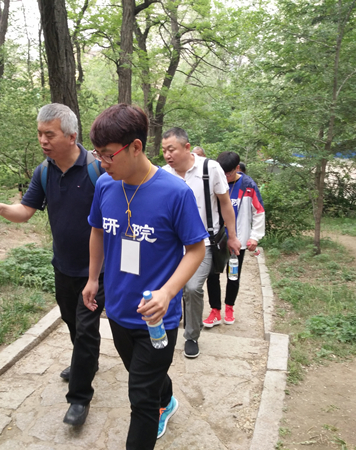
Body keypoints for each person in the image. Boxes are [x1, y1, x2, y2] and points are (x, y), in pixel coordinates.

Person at [82, 104, 207, 449]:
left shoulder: (175, 193)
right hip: (119, 310)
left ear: (136, 147)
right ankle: (165, 396)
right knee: (145, 377)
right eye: (98, 155)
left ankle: (156, 404)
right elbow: (97, 230)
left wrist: (168, 293)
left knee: (141, 400)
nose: (102, 163)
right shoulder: (107, 185)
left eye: (108, 155)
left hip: (157, 318)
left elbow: (197, 249)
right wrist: (93, 279)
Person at [0, 103, 105, 427]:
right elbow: (25, 210)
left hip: (96, 270)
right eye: (39, 134)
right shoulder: (44, 171)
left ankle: (79, 397)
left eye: (49, 134)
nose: (43, 140)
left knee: (87, 328)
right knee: (71, 320)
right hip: (62, 265)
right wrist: (1, 208)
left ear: (71, 135)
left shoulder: (97, 170)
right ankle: (85, 362)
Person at [161, 128, 240, 358]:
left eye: (171, 149)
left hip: (204, 242)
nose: (167, 155)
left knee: (192, 287)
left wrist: (233, 236)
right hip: (173, 244)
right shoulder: (164, 174)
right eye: (164, 150)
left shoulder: (210, 168)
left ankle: (191, 335)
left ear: (186, 147)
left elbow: (225, 204)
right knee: (168, 288)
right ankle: (167, 326)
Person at [205, 152, 265, 326]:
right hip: (216, 238)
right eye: (221, 173)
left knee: (233, 275)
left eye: (228, 173)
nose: (224, 177)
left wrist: (254, 236)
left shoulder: (248, 185)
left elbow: (259, 211)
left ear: (237, 168)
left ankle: (229, 307)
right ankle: (215, 310)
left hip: (238, 239)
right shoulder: (213, 182)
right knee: (212, 275)